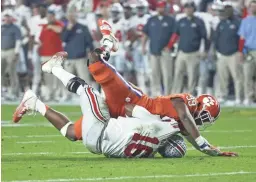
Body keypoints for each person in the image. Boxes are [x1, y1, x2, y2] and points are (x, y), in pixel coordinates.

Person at [14, 51, 236, 157]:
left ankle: (34, 103)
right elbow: (186, 119)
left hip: (126, 119)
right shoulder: (183, 106)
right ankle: (54, 67)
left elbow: (189, 131)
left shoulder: (176, 127)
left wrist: (212, 151)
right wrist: (207, 147)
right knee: (96, 68)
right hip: (133, 102)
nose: (202, 121)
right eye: (206, 116)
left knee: (72, 133)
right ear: (200, 107)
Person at [168, 1, 209, 94]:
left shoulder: (199, 21)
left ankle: (190, 95)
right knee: (178, 74)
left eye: (190, 8)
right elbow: (175, 35)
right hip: (181, 52)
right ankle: (176, 94)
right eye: (186, 8)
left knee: (192, 76)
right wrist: (170, 46)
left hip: (194, 53)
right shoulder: (181, 21)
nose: (188, 10)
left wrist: (205, 50)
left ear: (194, 9)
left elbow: (205, 37)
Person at [142, 0, 175, 96]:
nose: (161, 8)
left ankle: (168, 95)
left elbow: (175, 34)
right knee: (154, 74)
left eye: (163, 7)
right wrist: (143, 47)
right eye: (159, 7)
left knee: (167, 75)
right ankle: (156, 94)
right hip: (153, 51)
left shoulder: (170, 20)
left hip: (166, 52)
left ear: (166, 8)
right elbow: (145, 34)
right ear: (156, 8)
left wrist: (169, 46)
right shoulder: (151, 20)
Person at [61, 9, 94, 101]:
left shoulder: (83, 27)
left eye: (73, 15)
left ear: (76, 16)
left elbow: (89, 42)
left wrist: (91, 53)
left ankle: (88, 96)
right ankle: (67, 96)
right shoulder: (65, 28)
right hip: (69, 58)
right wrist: (68, 29)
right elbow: (63, 39)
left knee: (84, 78)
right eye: (69, 15)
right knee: (67, 79)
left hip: (81, 58)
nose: (71, 17)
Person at [39, 10, 64, 101]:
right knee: (47, 76)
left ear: (54, 17)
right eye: (48, 17)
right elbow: (41, 40)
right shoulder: (44, 27)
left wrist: (51, 26)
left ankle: (57, 94)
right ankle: (49, 94)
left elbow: (60, 30)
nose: (50, 18)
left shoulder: (59, 24)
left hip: (56, 55)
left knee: (57, 76)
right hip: (45, 54)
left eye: (51, 16)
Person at [238, 0, 256, 105]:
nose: (254, 8)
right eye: (252, 6)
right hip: (249, 51)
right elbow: (242, 38)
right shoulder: (245, 21)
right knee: (247, 75)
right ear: (249, 8)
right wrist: (240, 52)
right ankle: (248, 97)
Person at [1, 10, 22, 100]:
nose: (7, 18)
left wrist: (16, 52)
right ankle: (3, 91)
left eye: (8, 16)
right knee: (1, 73)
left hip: (11, 51)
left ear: (11, 18)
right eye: (6, 16)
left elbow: (18, 40)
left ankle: (14, 93)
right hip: (2, 51)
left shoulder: (15, 28)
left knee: (12, 72)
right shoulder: (2, 27)